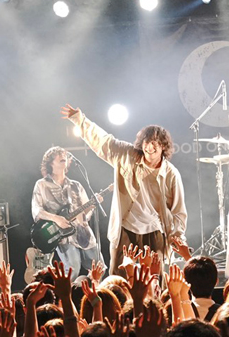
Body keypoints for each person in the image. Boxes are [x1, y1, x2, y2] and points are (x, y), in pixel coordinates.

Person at [60, 104, 186, 276]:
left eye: (155, 143)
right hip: (125, 227)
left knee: (155, 279)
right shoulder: (127, 155)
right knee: (118, 278)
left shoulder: (171, 174)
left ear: (163, 146)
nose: (150, 147)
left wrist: (177, 237)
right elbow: (104, 141)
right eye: (147, 142)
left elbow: (178, 211)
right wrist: (79, 119)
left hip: (154, 229)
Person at [31, 146, 104, 277]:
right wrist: (56, 218)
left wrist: (91, 207)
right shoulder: (42, 185)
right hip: (61, 235)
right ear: (50, 163)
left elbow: (86, 212)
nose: (63, 156)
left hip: (83, 232)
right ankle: (67, 291)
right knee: (72, 271)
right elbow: (37, 211)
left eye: (64, 155)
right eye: (58, 155)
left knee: (100, 268)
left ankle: (91, 289)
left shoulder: (76, 185)